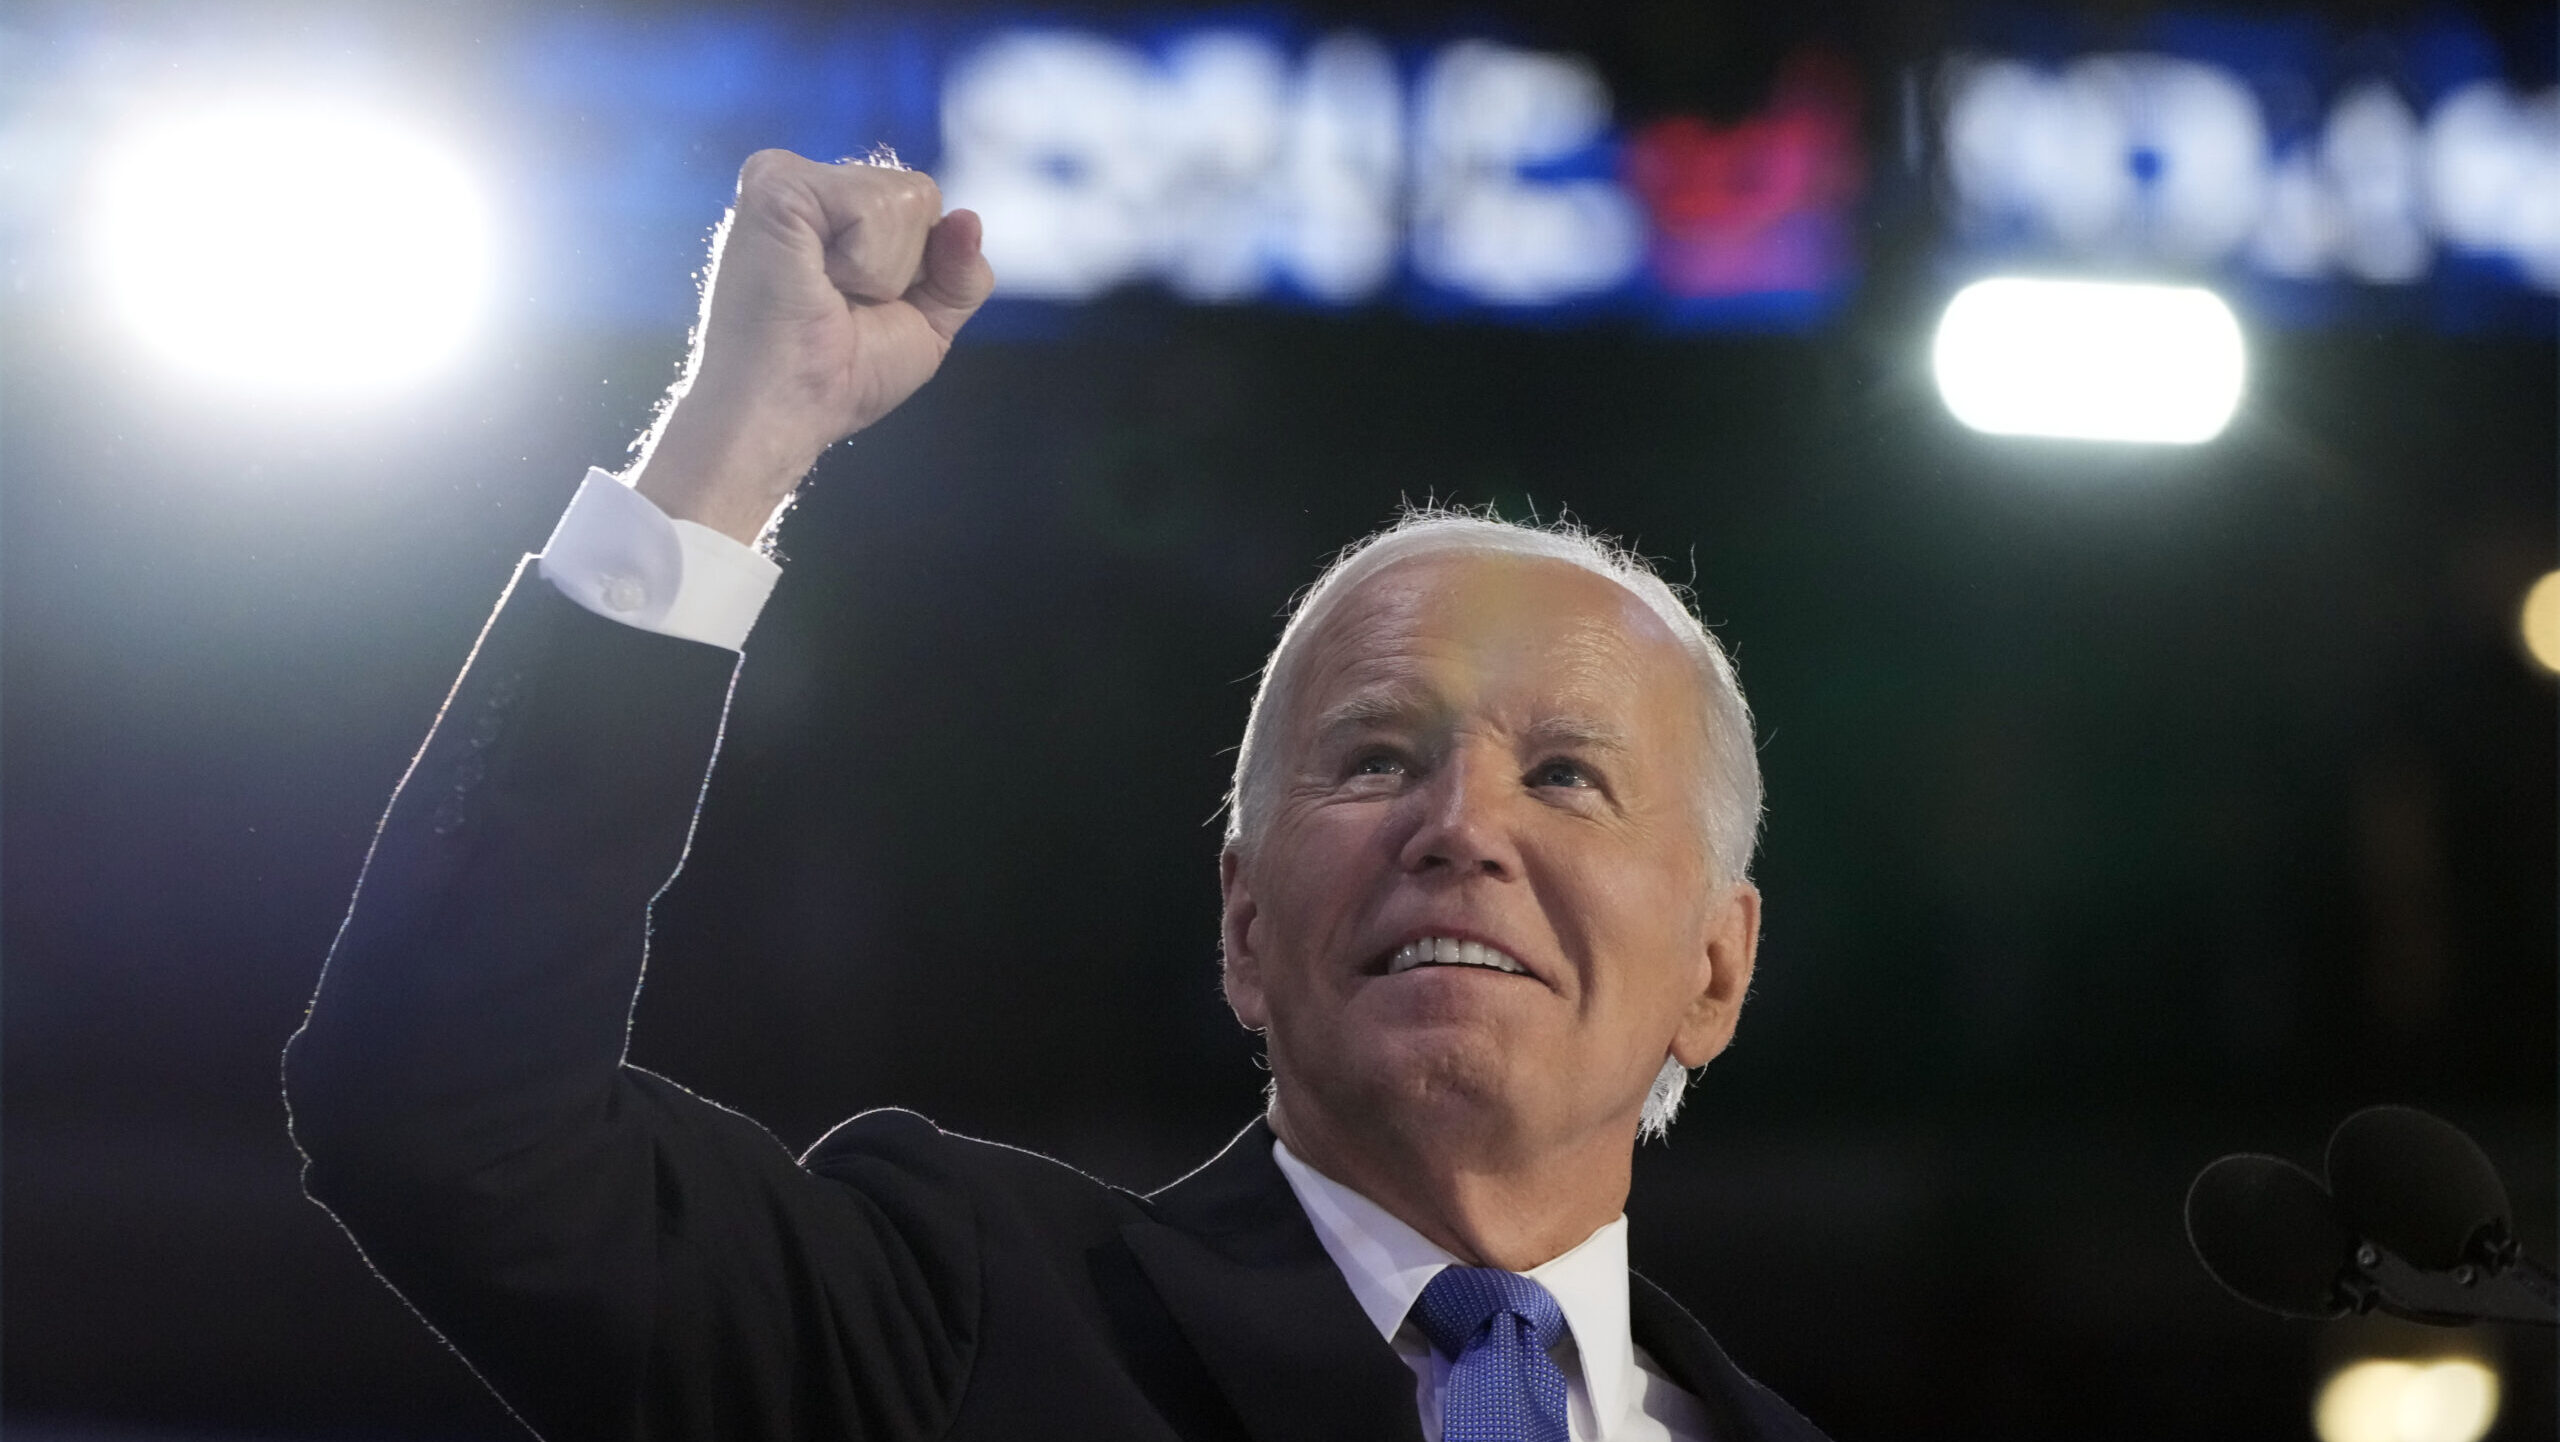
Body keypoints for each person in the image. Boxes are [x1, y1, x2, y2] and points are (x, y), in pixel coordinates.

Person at [284, 150, 1830, 1442]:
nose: (1461, 826)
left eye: (1564, 773)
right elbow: (443, 1118)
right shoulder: (945, 1325)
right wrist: (742, 429)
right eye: (1374, 759)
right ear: (1242, 925)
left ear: (1718, 964)